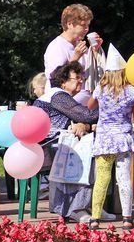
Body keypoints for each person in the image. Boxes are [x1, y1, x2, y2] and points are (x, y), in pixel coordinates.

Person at [33, 61, 110, 223]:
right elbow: (86, 115)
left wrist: (85, 124)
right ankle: (77, 207)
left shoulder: (56, 96)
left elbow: (81, 119)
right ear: (63, 82)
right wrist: (113, 107)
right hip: (49, 145)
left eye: (82, 77)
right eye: (77, 78)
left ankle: (93, 204)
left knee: (98, 150)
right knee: (91, 152)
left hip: (53, 142)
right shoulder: (58, 96)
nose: (81, 81)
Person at [86, 45, 134, 229]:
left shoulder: (100, 89)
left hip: (104, 139)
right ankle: (127, 218)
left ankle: (95, 218)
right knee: (124, 178)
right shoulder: (132, 91)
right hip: (123, 139)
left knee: (102, 178)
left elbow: (90, 106)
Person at [44, 4, 106, 105]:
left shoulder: (79, 45)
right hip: (64, 103)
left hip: (84, 102)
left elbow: (91, 71)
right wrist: (75, 58)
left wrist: (95, 51)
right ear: (69, 24)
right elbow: (54, 77)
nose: (86, 29)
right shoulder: (56, 46)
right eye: (83, 25)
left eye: (88, 25)